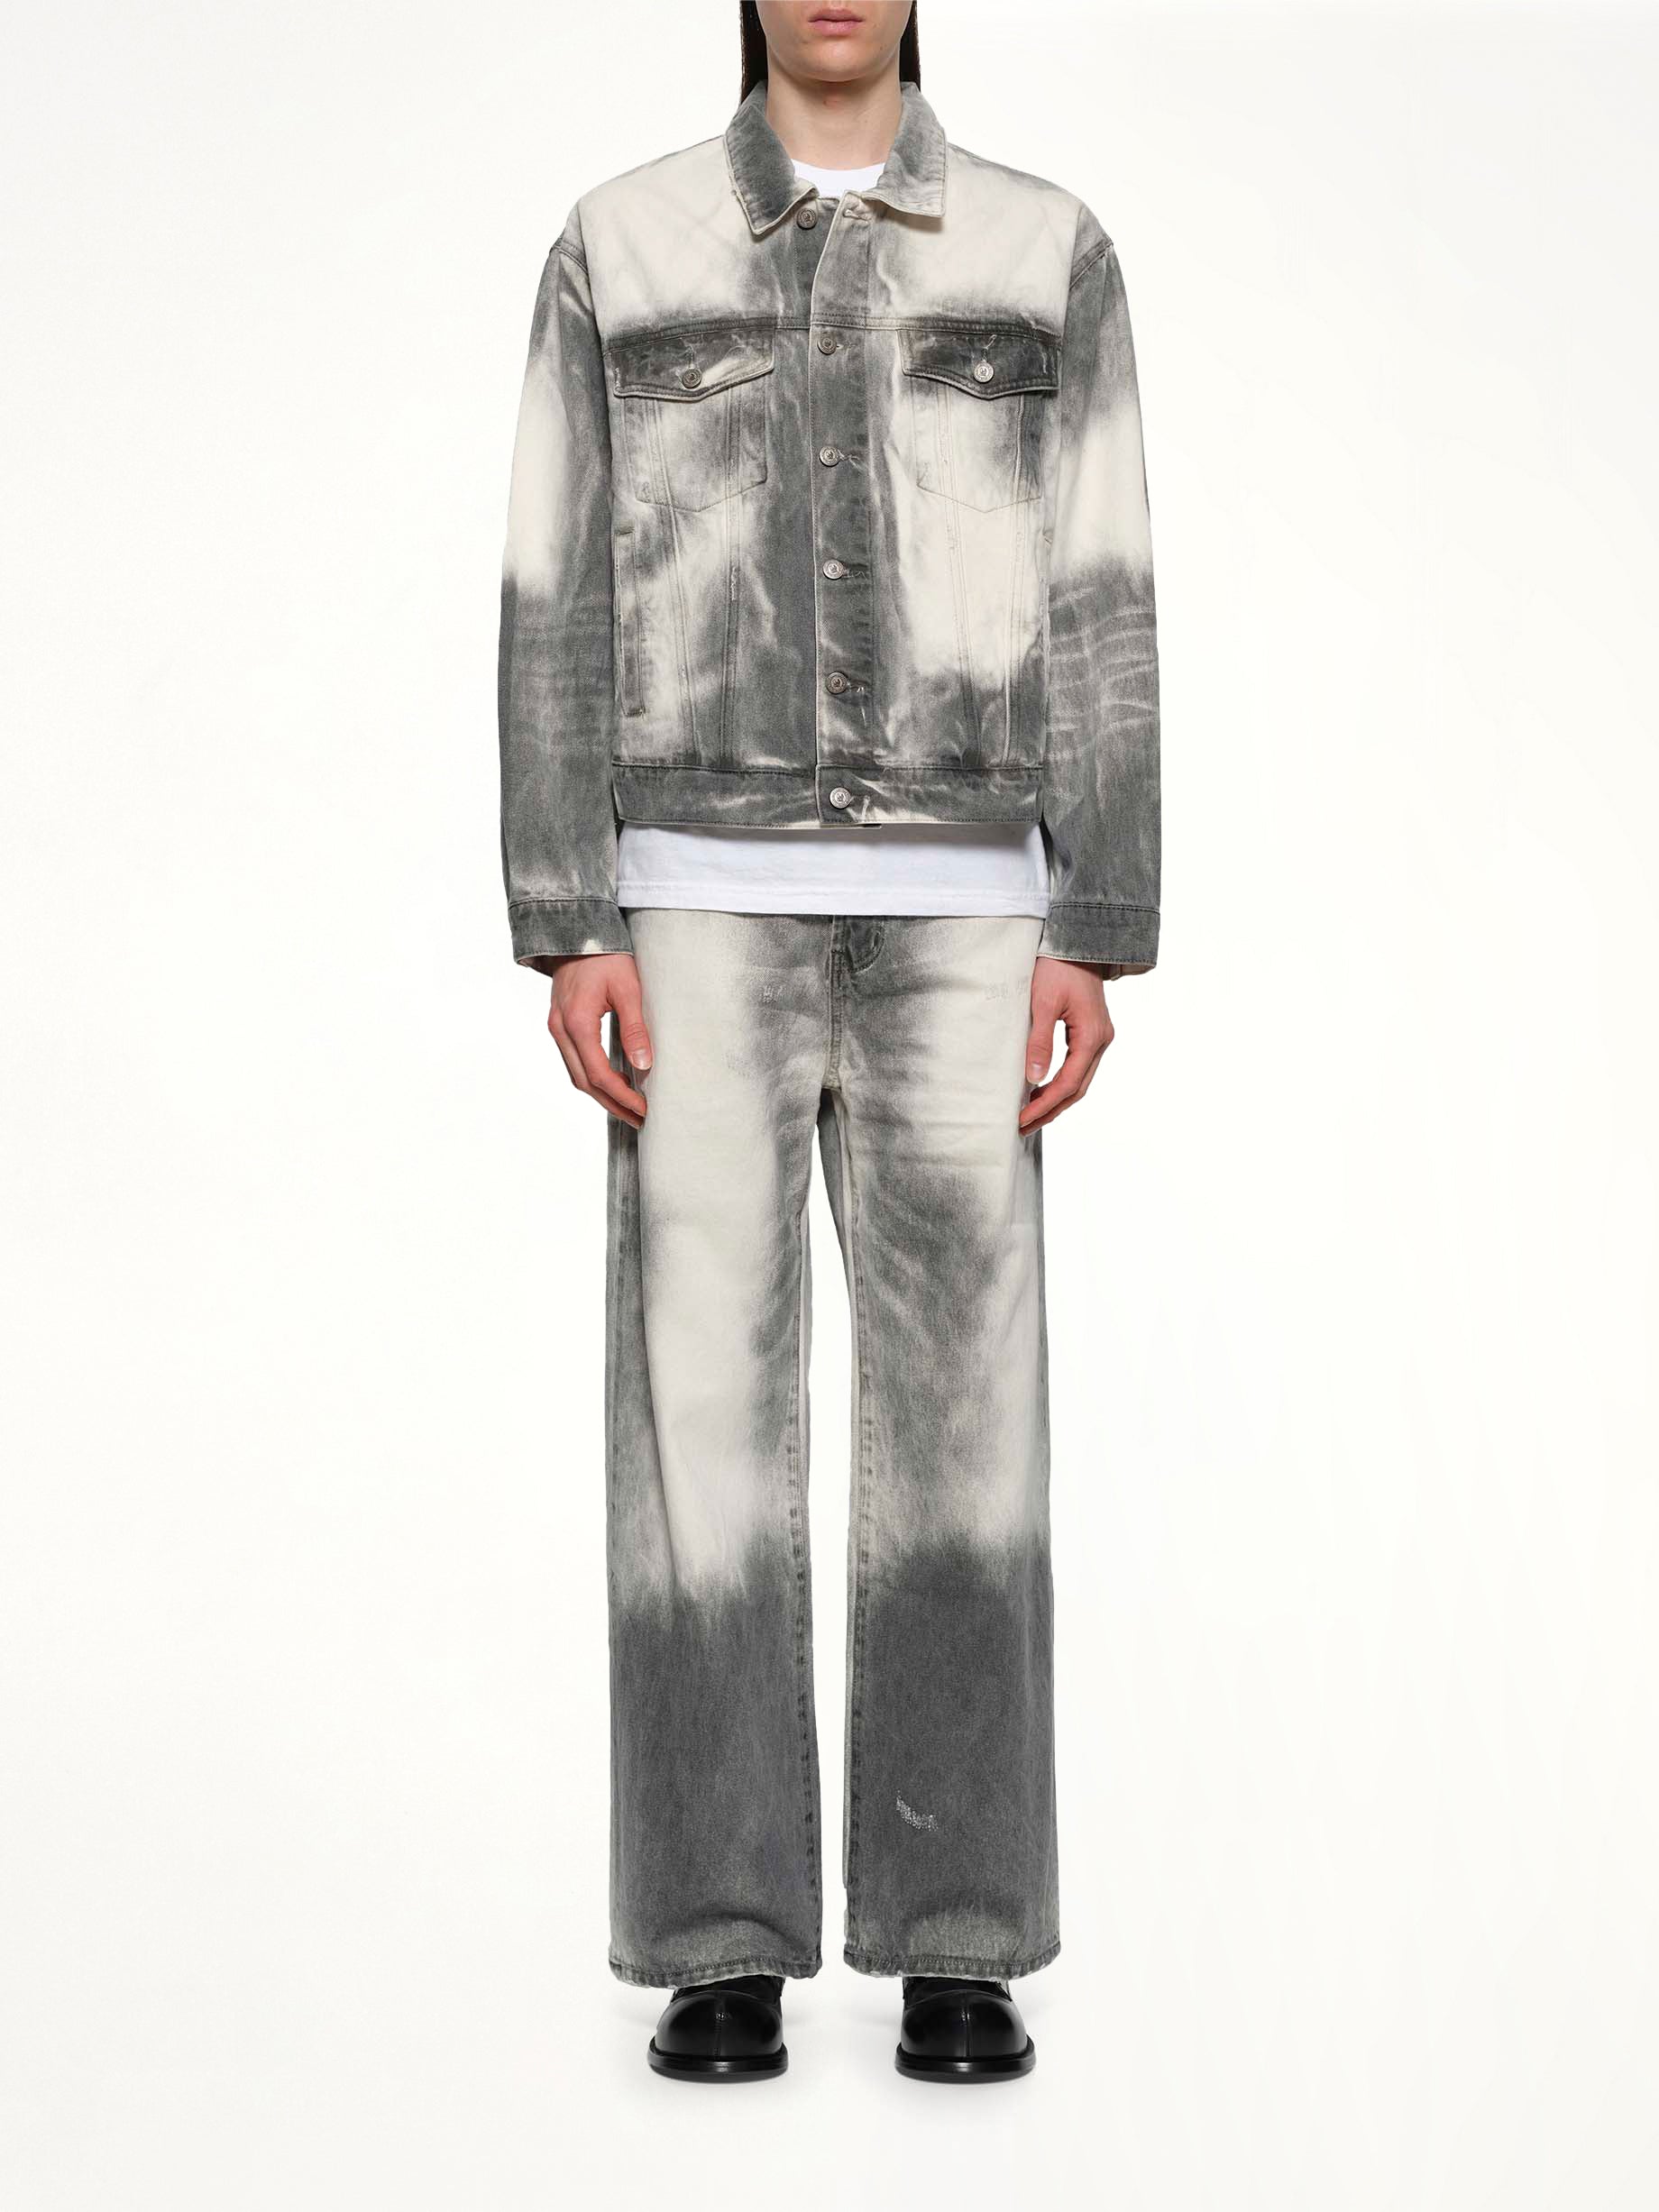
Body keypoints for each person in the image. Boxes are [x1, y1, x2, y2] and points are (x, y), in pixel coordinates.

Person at [497, 0, 1159, 2083]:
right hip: (689, 913)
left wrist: (1096, 921)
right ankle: (717, 1938)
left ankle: (956, 1939)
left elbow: (1101, 588)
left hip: (972, 916)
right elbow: (550, 582)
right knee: (698, 1429)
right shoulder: (621, 244)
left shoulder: (1043, 251)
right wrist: (564, 912)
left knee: (966, 1430)